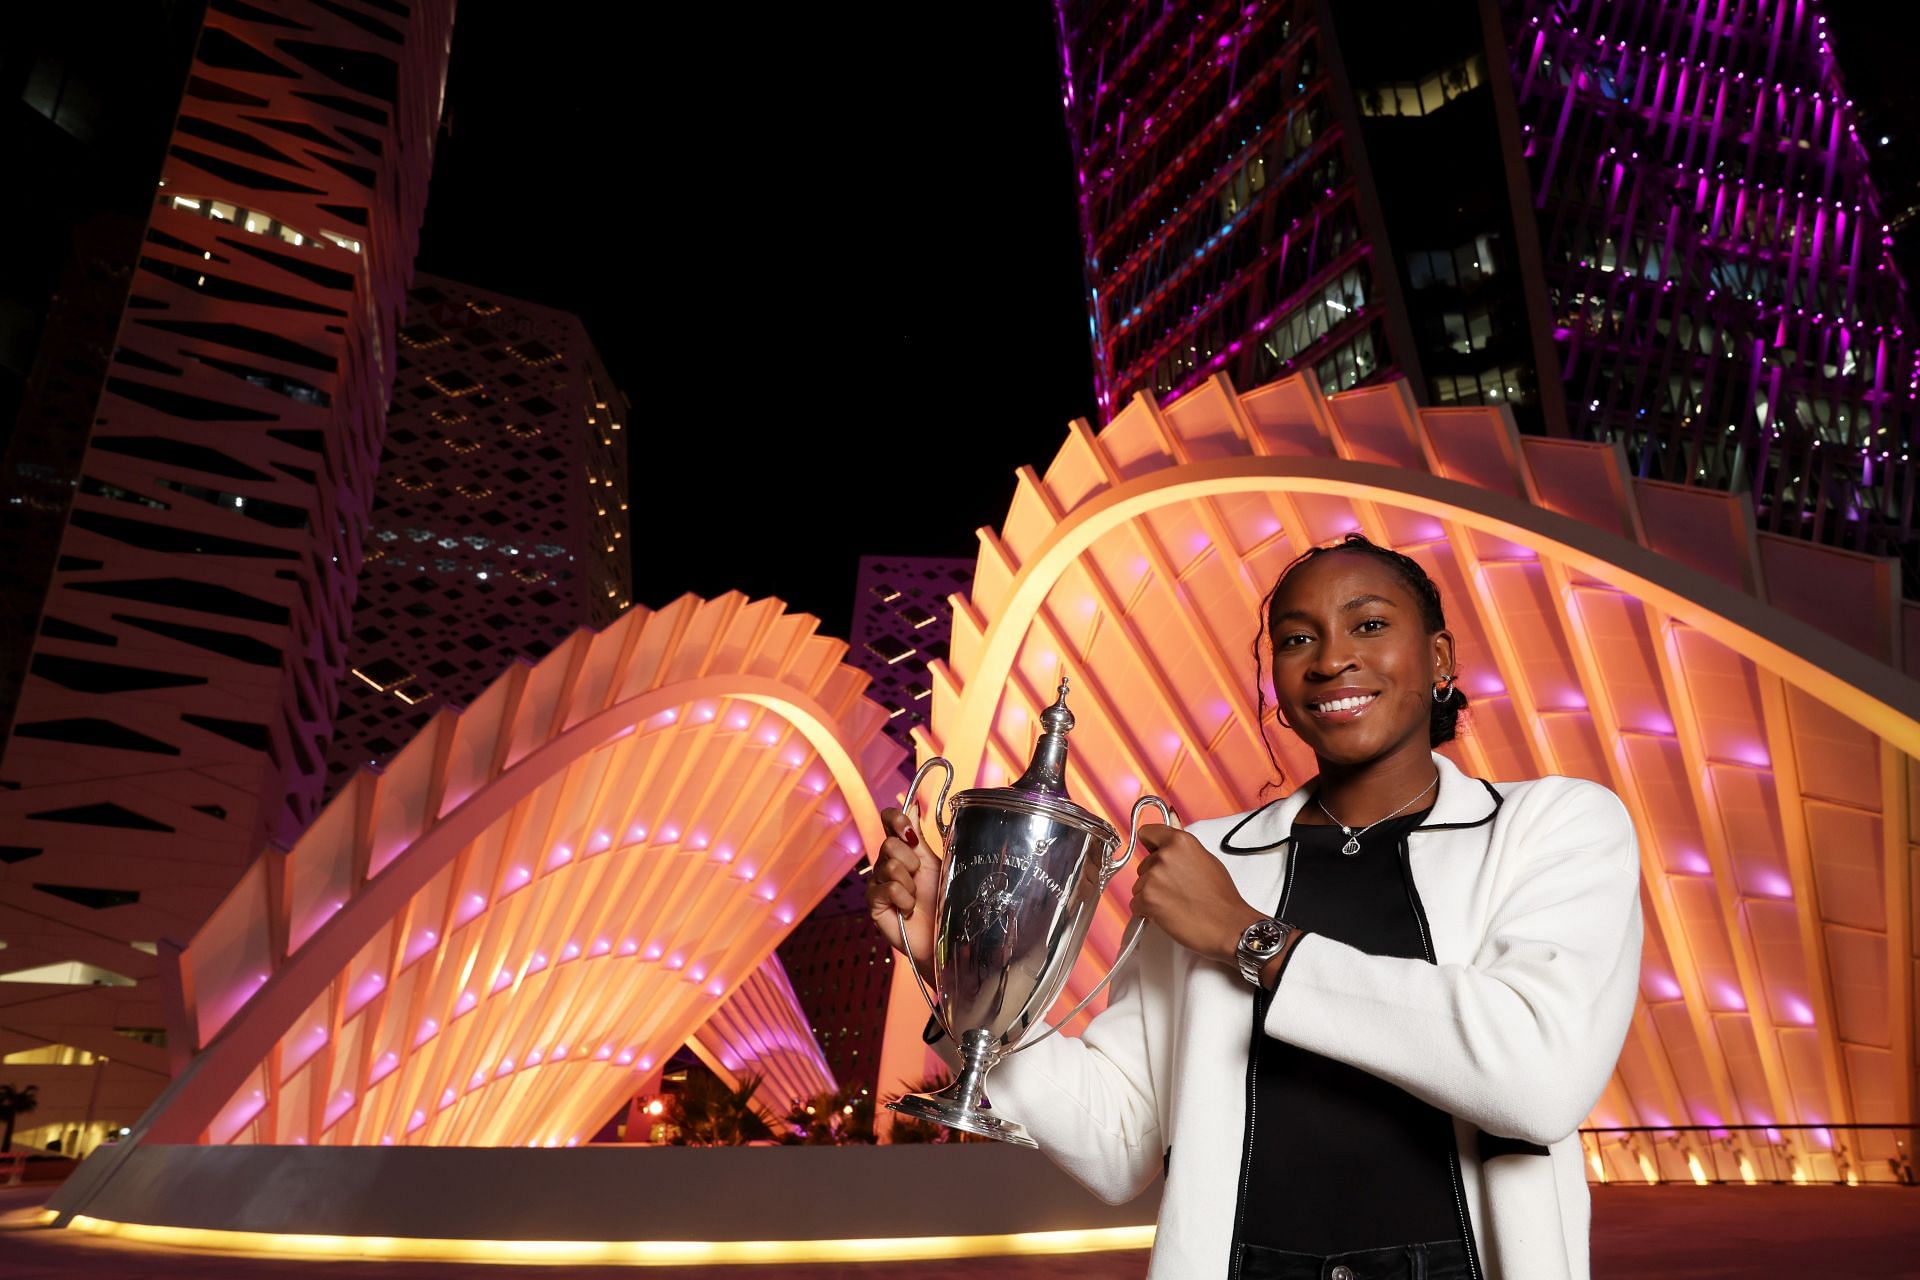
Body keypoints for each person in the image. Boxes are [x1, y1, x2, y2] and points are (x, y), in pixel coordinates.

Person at [867, 532, 1643, 1280]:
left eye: (1368, 625)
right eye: (1298, 640)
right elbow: (1120, 1143)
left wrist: (1247, 937)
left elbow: (1539, 1078)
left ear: (1438, 659)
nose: (1333, 659)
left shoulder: (1554, 824)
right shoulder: (1201, 859)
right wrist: (965, 967)